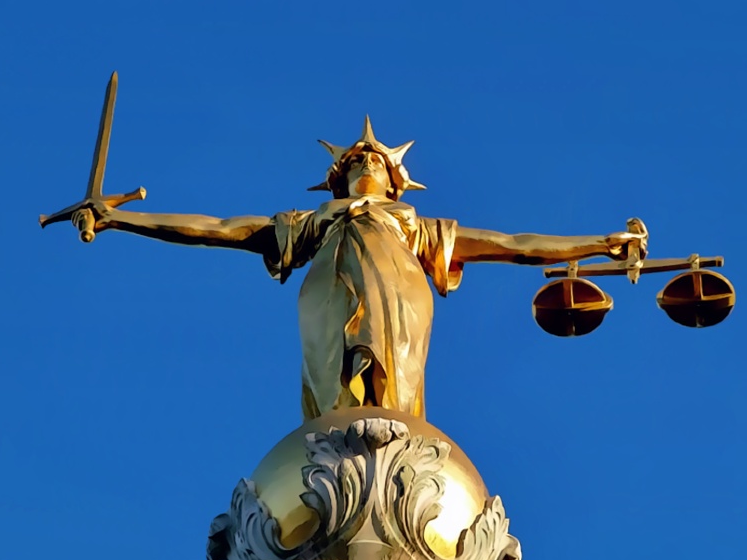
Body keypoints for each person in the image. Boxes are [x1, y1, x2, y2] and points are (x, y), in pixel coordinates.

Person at [71, 118, 646, 420]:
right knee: (331, 389)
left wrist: (599, 243)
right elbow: (222, 230)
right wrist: (126, 221)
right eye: (354, 159)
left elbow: (512, 243)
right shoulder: (315, 221)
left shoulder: (412, 225)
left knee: (392, 394)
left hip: (400, 296)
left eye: (373, 158)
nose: (364, 160)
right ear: (338, 176)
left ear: (396, 178)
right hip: (326, 294)